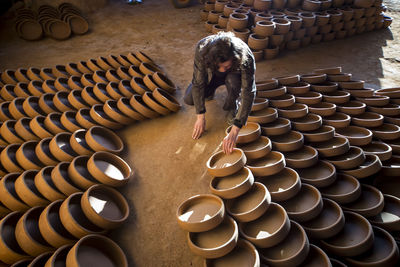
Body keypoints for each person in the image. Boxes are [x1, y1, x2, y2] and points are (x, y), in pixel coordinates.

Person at [184, 31, 256, 154]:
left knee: (233, 81)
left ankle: (233, 105)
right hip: (212, 74)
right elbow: (198, 83)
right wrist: (200, 116)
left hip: (233, 76)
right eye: (220, 66)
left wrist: (235, 130)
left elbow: (248, 92)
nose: (223, 69)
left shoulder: (245, 56)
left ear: (235, 59)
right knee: (190, 99)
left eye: (226, 66)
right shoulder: (203, 50)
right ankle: (210, 91)